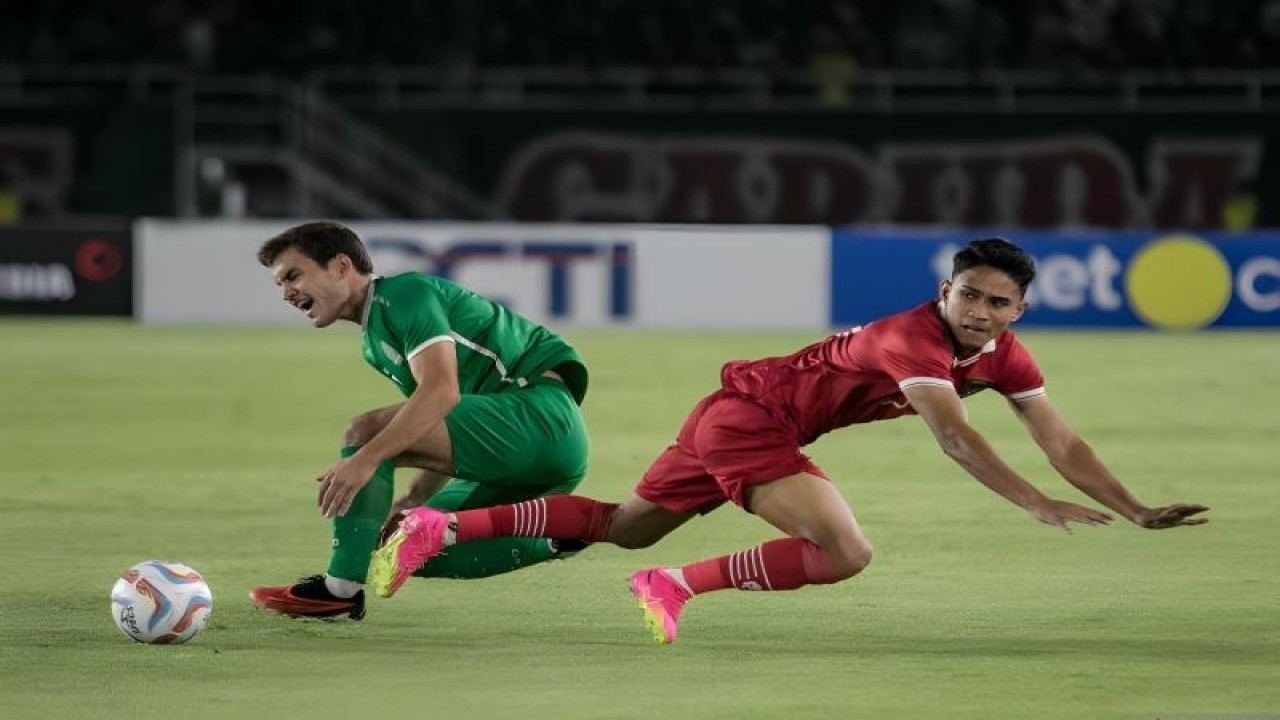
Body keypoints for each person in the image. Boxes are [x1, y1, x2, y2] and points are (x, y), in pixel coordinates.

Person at [368, 237, 1209, 643]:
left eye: (998, 303)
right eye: (969, 295)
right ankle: (673, 584)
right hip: (754, 421)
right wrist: (1033, 503)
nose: (979, 311)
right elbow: (953, 439)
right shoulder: (911, 339)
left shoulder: (1002, 355)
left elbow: (1064, 442)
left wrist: (1130, 508)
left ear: (1019, 312)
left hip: (726, 414)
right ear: (946, 290)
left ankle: (446, 526)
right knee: (845, 550)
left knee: (625, 522)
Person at [249, 221, 591, 620]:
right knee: (403, 543)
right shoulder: (374, 341)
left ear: (341, 266)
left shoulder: (404, 295)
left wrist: (365, 459)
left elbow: (441, 393)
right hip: (515, 443)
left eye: (293, 275)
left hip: (540, 417)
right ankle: (560, 536)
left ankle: (339, 593)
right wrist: (414, 500)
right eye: (279, 285)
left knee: (364, 432)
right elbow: (432, 419)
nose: (287, 293)